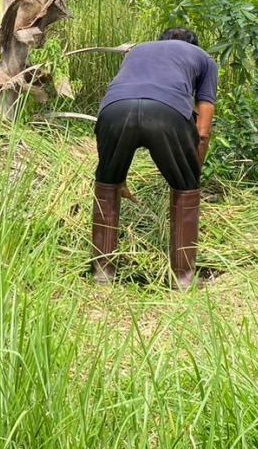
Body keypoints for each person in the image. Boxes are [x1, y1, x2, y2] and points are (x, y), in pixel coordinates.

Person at [92, 28, 218, 290]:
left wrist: (116, 175)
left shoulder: (137, 51)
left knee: (106, 185)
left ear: (161, 42)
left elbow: (128, 99)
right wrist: (193, 172)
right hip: (166, 112)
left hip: (114, 111)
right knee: (185, 189)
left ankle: (103, 273)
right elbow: (203, 130)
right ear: (193, 46)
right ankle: (183, 278)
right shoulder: (203, 58)